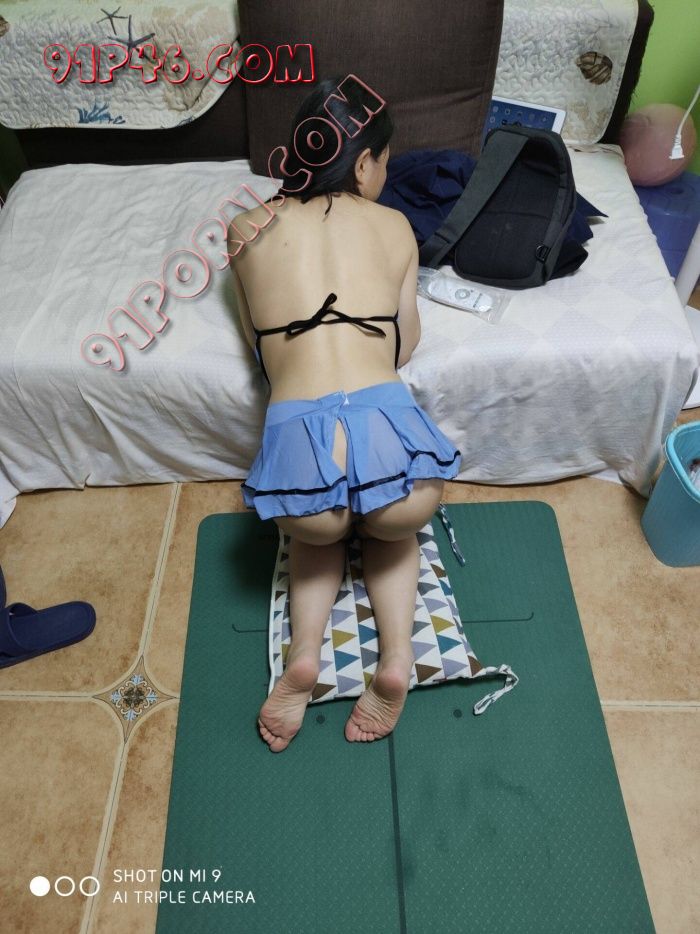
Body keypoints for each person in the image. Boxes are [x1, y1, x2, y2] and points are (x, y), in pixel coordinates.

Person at [228, 76, 461, 753]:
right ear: (363, 165)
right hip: (390, 434)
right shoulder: (395, 226)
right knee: (393, 533)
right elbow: (404, 344)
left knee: (317, 537)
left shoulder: (245, 228)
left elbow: (257, 343)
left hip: (301, 444)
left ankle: (304, 657)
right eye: (385, 162)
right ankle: (395, 662)